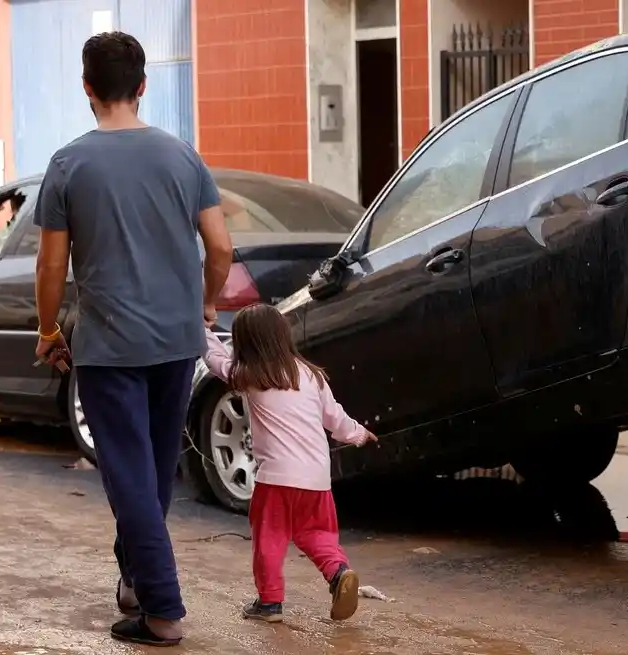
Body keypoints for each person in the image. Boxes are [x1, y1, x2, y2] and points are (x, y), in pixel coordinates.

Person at [32, 31, 233, 647]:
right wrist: (203, 304)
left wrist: (46, 330)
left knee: (128, 476)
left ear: (87, 88)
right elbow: (221, 247)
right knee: (148, 472)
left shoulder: (69, 164)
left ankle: (163, 611)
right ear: (142, 86)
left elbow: (50, 266)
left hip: (110, 346)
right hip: (177, 341)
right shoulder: (182, 156)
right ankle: (134, 581)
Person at [200, 303, 377, 623]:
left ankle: (269, 603)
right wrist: (360, 434)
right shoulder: (312, 375)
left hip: (276, 480)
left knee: (270, 538)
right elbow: (335, 419)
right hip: (317, 479)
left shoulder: (251, 376)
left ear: (245, 344)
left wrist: (202, 331)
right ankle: (338, 573)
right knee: (318, 534)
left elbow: (215, 360)